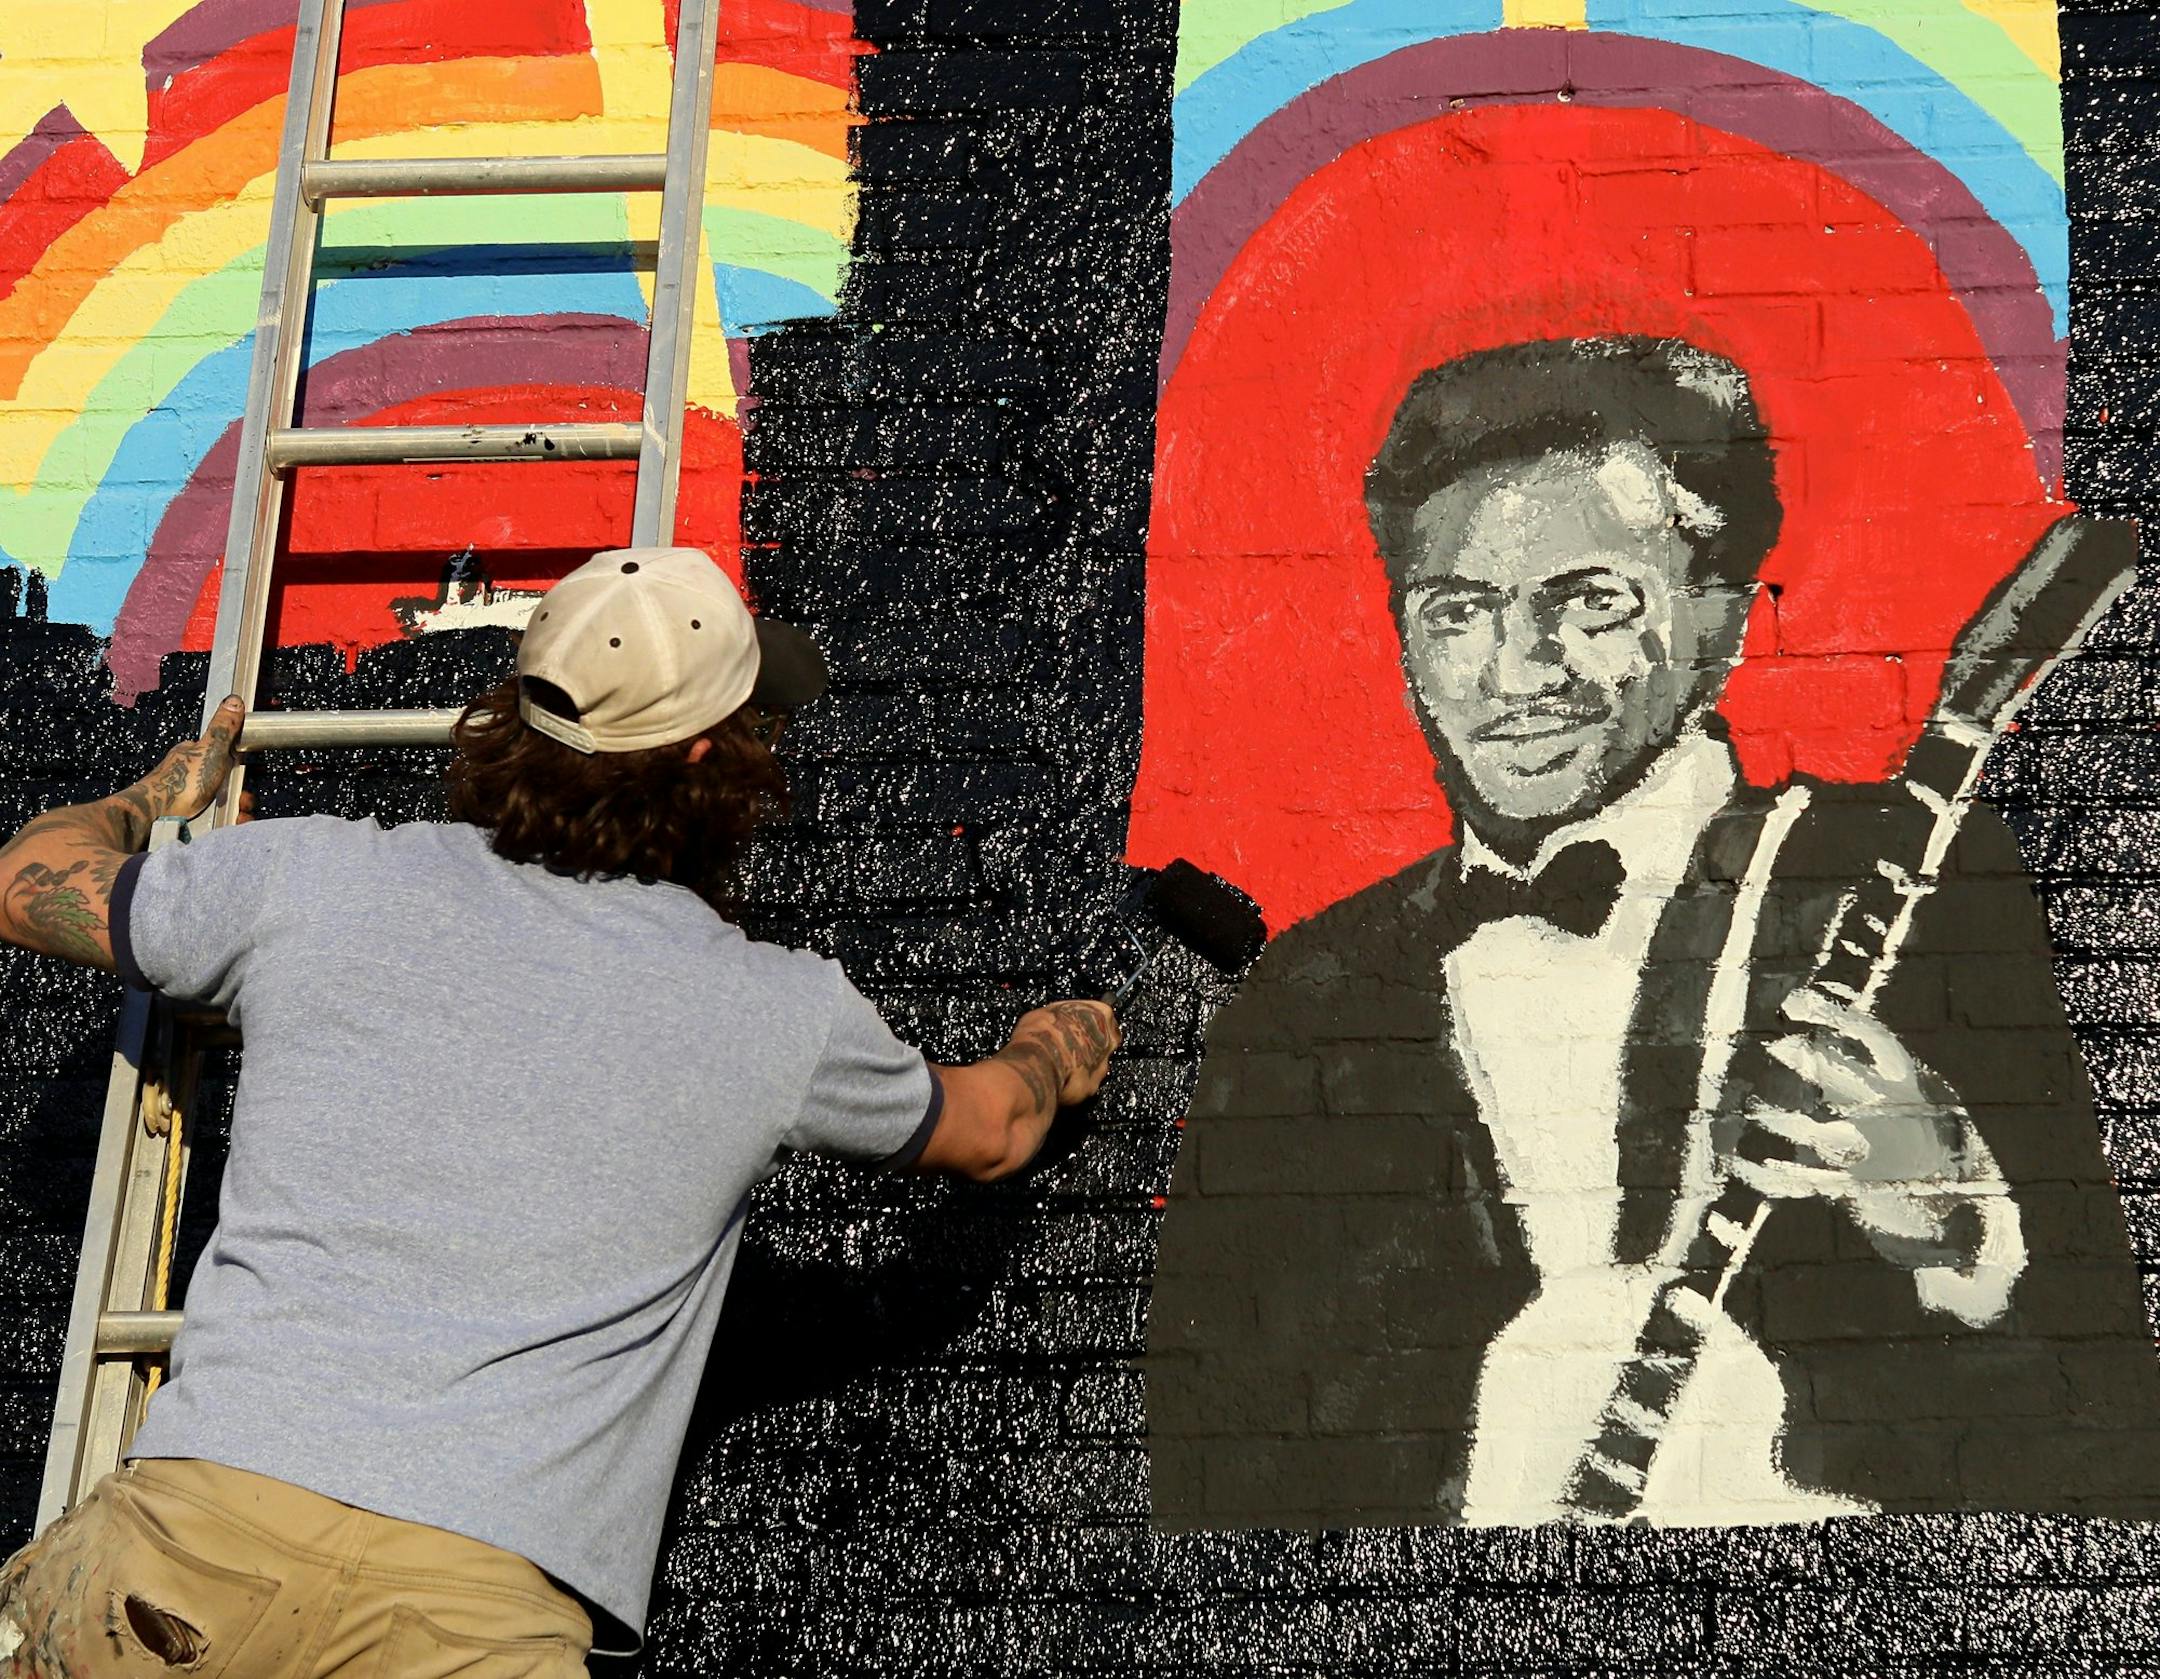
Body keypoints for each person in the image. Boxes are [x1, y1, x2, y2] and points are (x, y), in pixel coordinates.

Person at [0, 545, 1118, 1676]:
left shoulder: (309, 880)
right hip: (472, 1619)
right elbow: (997, 1128)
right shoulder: (780, 1011)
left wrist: (156, 796)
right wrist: (1059, 1039)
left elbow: (26, 879)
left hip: (186, 1559)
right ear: (708, 761)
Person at [1146, 336, 2160, 1530]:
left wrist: (1955, 1215)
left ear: (1725, 609)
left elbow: (2107, 1430)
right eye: (1458, 612)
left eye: (1590, 602)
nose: (1516, 669)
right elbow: (1218, 1460)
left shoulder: (1916, 884)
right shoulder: (1306, 998)